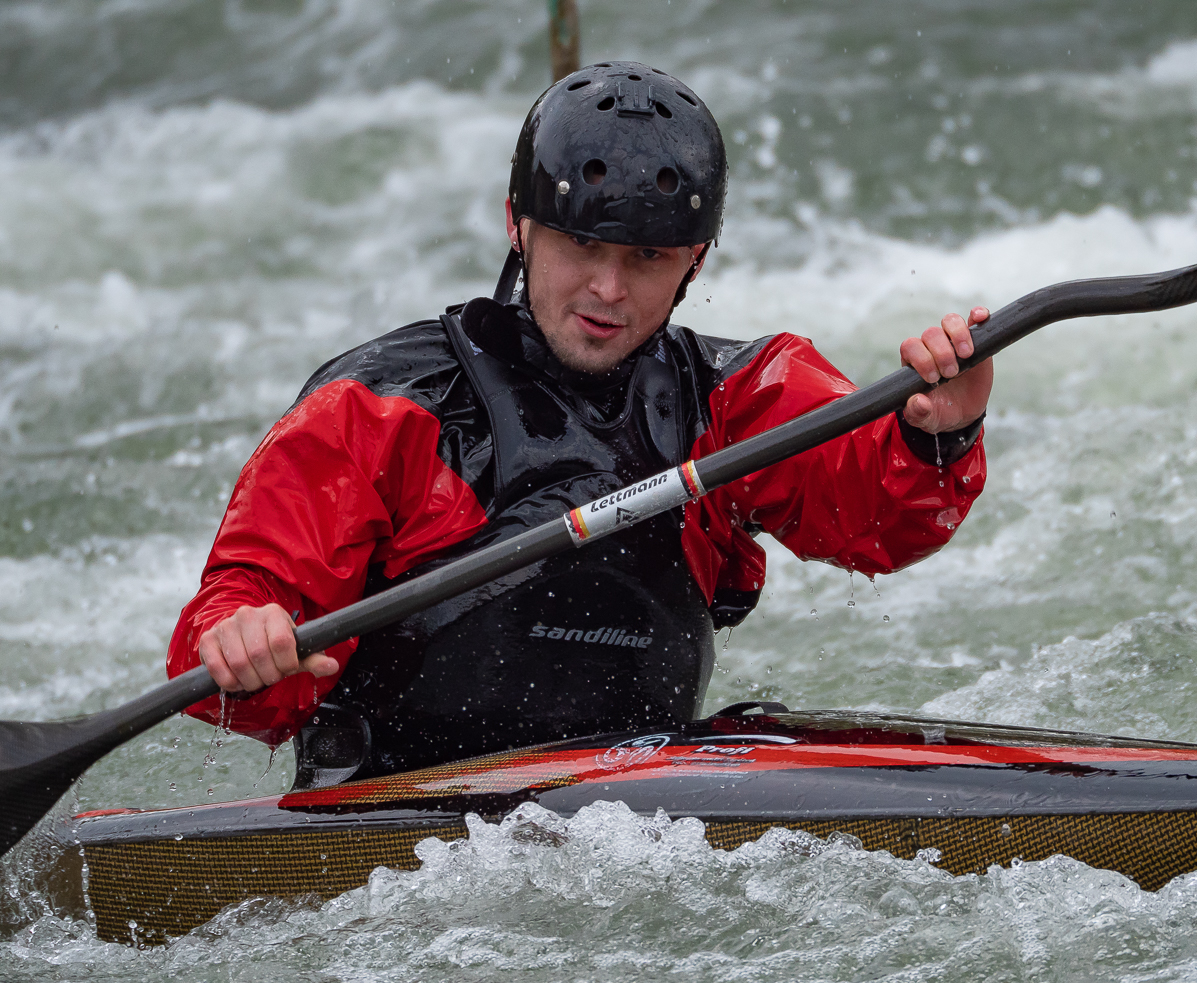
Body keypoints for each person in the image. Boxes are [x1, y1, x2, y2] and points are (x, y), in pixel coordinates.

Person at [167, 61, 994, 784]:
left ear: (694, 263)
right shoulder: (378, 408)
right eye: (579, 246)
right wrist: (244, 641)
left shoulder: (739, 396)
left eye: (646, 259)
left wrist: (940, 433)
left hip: (630, 831)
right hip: (394, 827)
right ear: (516, 227)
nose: (608, 289)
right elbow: (244, 616)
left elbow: (876, 519)